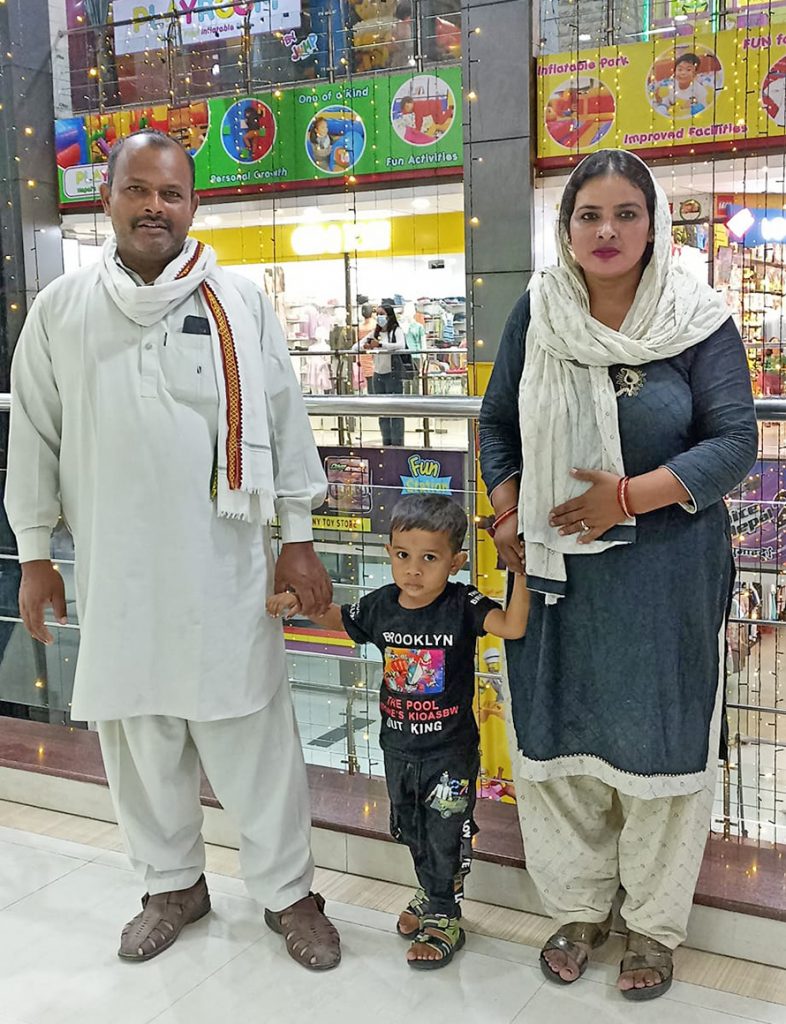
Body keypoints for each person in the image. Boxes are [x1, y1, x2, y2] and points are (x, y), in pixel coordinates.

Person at [4, 129, 342, 971]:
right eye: (138, 190)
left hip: (224, 567)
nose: (155, 206)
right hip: (117, 570)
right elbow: (35, 439)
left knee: (251, 739)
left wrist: (296, 541)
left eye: (171, 194)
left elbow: (287, 421)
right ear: (106, 198)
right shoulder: (61, 310)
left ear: (193, 206)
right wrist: (37, 554)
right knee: (138, 737)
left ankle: (289, 893)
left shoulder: (240, 303)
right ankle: (171, 886)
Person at [479, 149, 758, 1001]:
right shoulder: (540, 309)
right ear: (565, 228)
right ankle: (576, 907)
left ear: (653, 223)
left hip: (664, 574)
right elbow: (496, 423)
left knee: (661, 744)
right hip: (558, 576)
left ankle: (651, 925)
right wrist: (505, 514)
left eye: (625, 214)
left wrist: (628, 499)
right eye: (588, 215)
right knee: (560, 734)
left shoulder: (698, 317)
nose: (606, 232)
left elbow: (735, 443)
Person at [267, 494, 529, 968]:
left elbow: (511, 626)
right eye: (403, 556)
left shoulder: (463, 604)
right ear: (389, 552)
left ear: (456, 562)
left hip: (450, 753)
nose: (413, 570)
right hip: (397, 748)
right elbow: (338, 619)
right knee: (410, 828)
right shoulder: (382, 605)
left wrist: (520, 571)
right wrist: (299, 603)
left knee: (445, 829)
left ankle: (444, 914)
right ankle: (431, 890)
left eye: (430, 558)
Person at [358, 303, 406, 445]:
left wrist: (380, 345)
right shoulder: (375, 332)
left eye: (382, 313)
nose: (379, 317)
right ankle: (386, 441)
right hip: (378, 375)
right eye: (377, 314)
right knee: (382, 412)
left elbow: (400, 345)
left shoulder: (396, 330)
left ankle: (397, 443)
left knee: (396, 412)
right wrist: (365, 345)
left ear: (389, 315)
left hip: (392, 374)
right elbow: (359, 344)